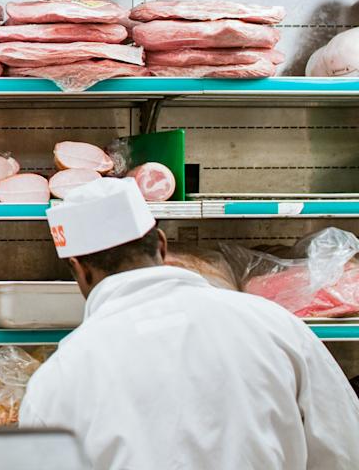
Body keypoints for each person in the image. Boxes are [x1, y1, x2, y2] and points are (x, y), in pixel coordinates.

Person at [19, 178, 359, 470]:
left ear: (79, 268)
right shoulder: (275, 326)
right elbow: (343, 449)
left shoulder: (60, 378)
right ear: (163, 246)